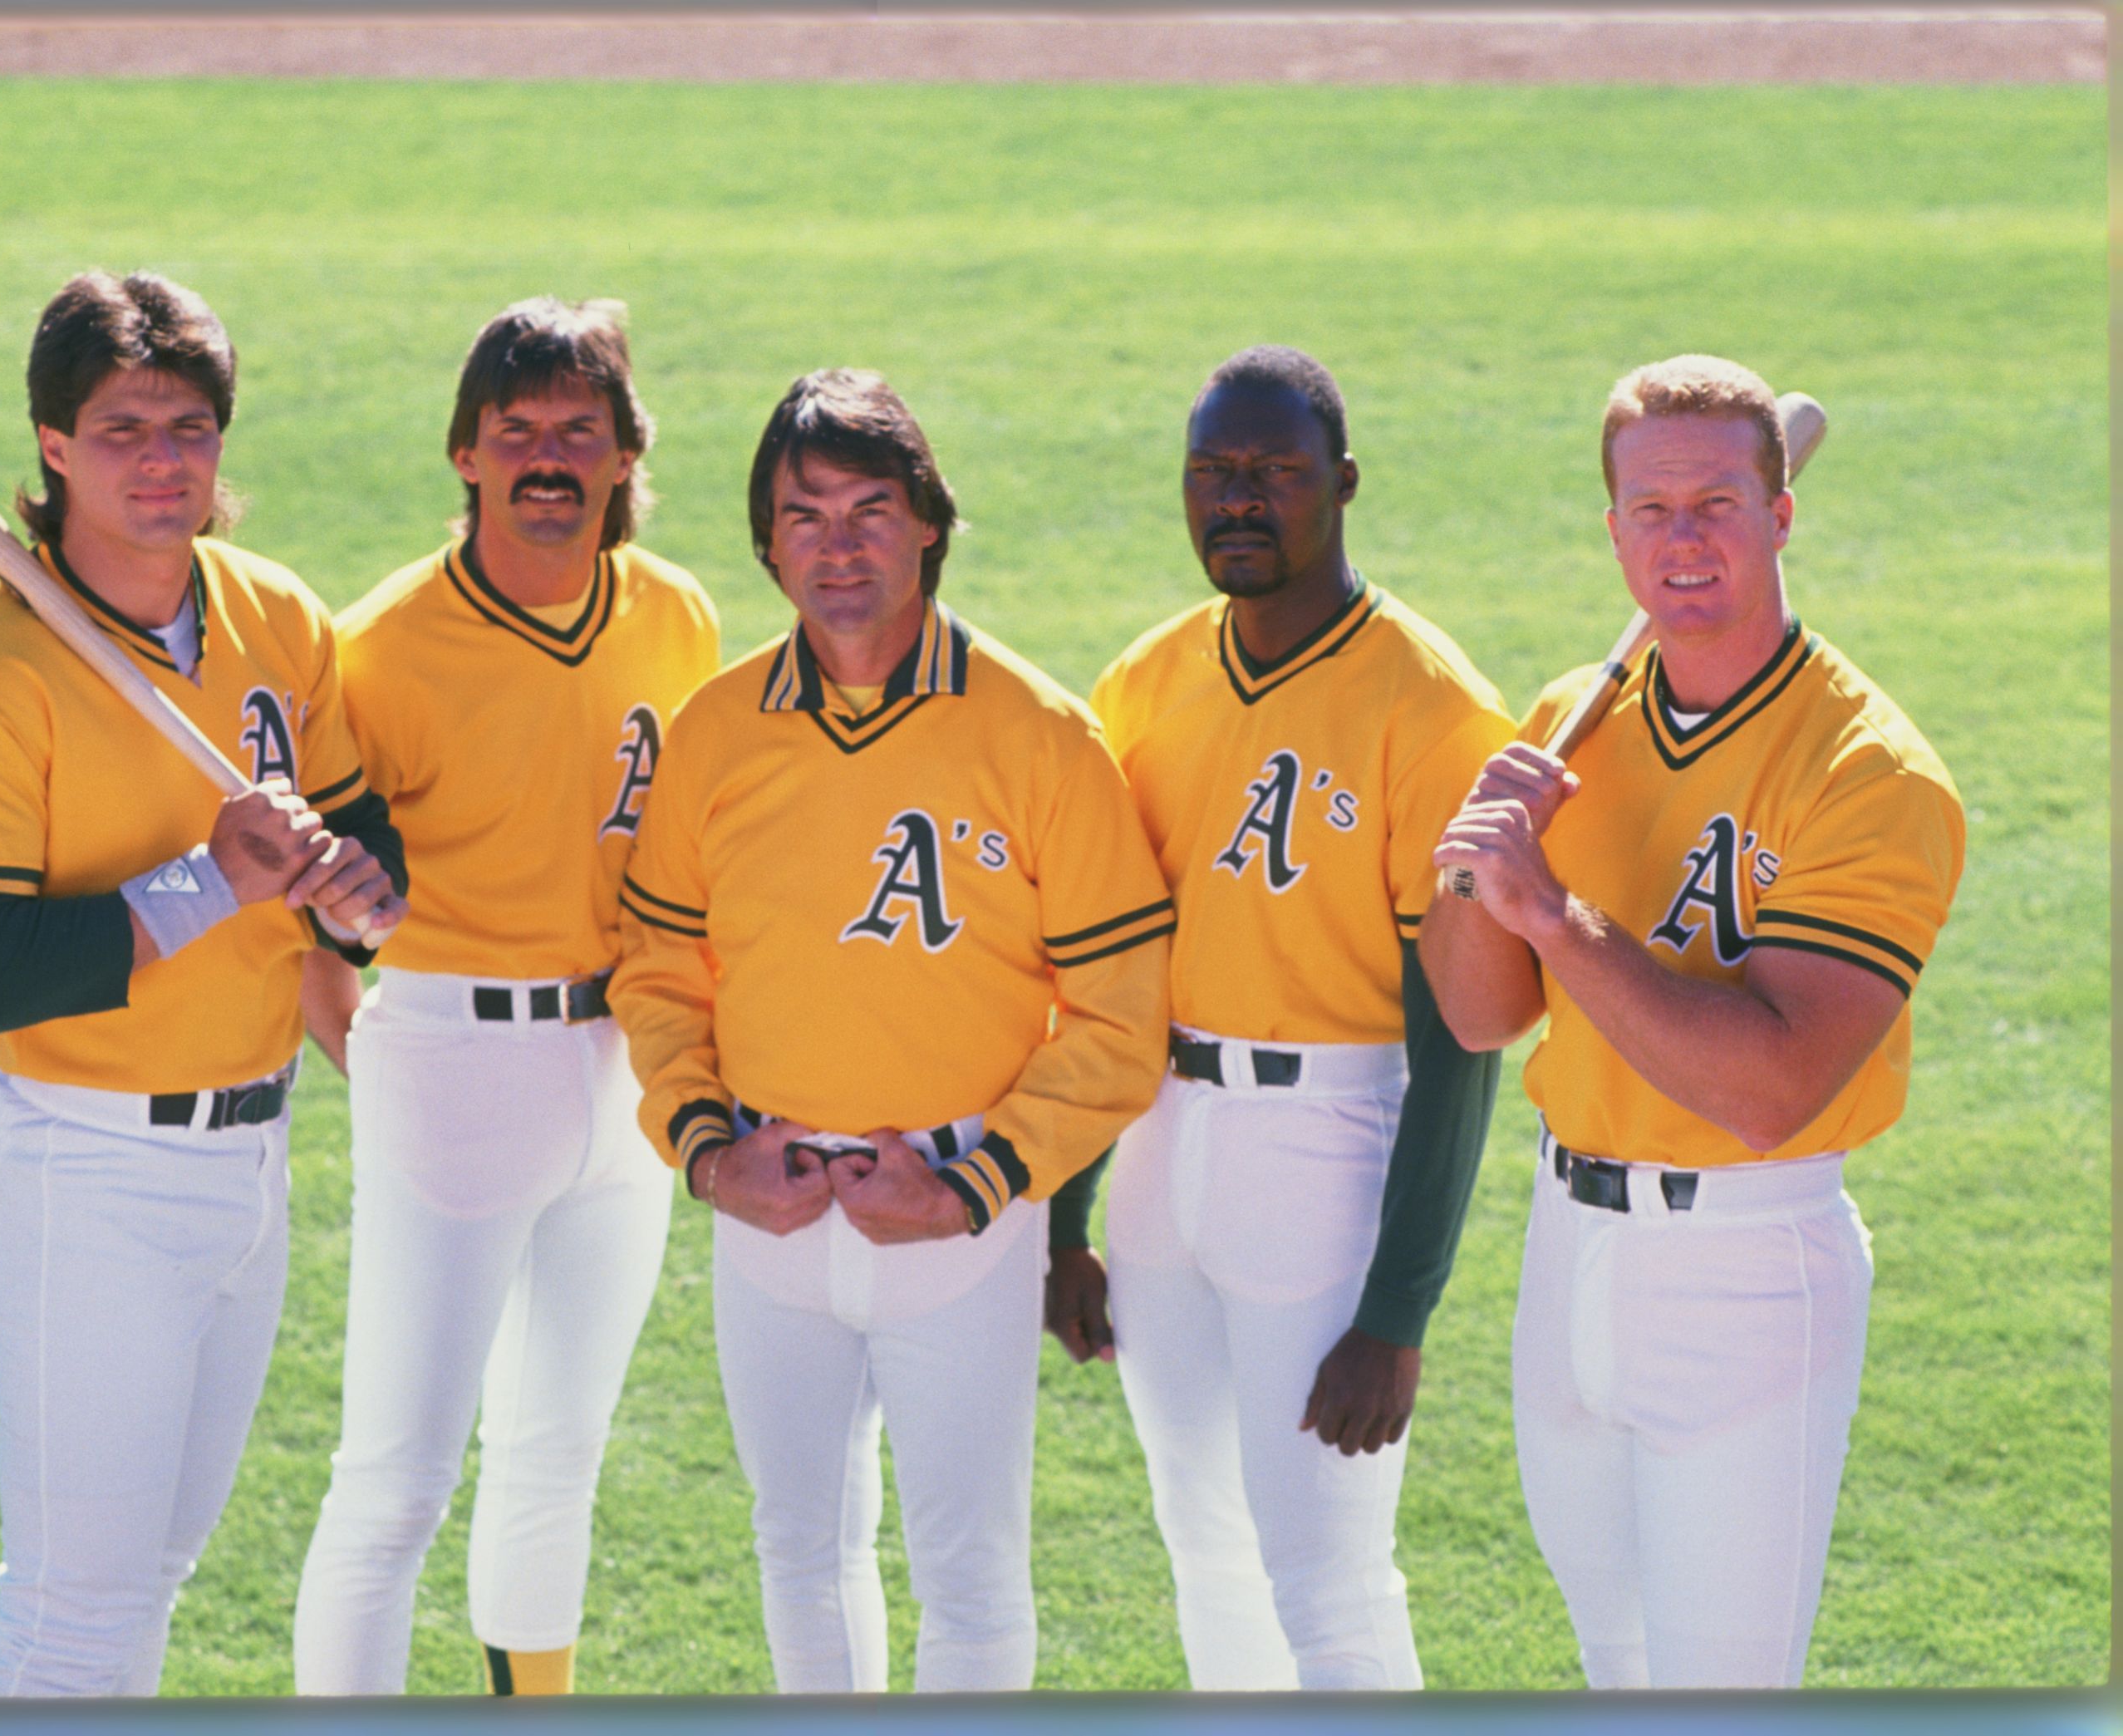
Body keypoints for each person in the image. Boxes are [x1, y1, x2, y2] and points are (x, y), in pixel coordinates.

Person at [0, 269, 407, 1696]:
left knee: (146, 1579)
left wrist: (359, 898)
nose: (162, 461)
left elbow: (358, 828)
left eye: (189, 426)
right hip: (87, 1173)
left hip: (255, 1157)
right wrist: (208, 880)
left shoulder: (275, 616)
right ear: (52, 444)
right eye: (122, 429)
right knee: (72, 1611)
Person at [610, 370, 1172, 1693]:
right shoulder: (714, 731)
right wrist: (706, 1152)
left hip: (960, 1216)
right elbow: (655, 970)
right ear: (764, 541)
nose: (840, 544)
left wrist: (977, 1183)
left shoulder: (1040, 733)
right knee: (797, 1550)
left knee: (969, 1577)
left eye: (872, 508)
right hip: (768, 1208)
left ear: (931, 521)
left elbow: (1117, 1017)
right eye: (805, 516)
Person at [1419, 355, 1965, 1689]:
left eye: (1717, 501)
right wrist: (1472, 876)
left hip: (1747, 1263)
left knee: (1721, 1696)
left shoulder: (1871, 773)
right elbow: (1480, 1016)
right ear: (1613, 532)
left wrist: (1553, 914)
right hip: (1568, 1257)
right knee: (1616, 1669)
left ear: (1782, 515)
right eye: (1650, 511)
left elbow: (1773, 1082)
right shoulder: (1568, 725)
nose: (1684, 539)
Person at [1048, 347, 1512, 1690]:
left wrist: (1400, 1309)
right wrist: (1066, 1215)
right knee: (1202, 1543)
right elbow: (1105, 972)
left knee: (1329, 1575)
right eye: (1213, 472)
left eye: (1274, 472)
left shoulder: (1431, 707)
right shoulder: (1143, 682)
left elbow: (1461, 1049)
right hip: (1157, 1141)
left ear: (1343, 486)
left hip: (1327, 1140)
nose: (1238, 500)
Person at [291, 297, 720, 1698]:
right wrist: (375, 1022)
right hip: (455, 1057)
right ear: (465, 454)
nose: (546, 456)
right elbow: (315, 905)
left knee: (557, 1450)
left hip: (626, 1068)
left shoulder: (676, 615)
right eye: (515, 430)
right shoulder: (381, 644)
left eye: (576, 431)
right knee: (398, 1472)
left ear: (623, 454)